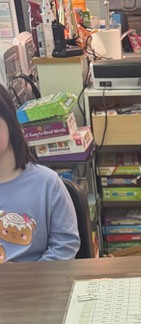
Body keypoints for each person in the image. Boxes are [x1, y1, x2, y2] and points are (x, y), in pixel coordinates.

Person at [0, 85, 80, 263]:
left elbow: (65, 246)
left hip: (37, 285)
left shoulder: (47, 184)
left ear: (9, 120)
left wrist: (32, 282)